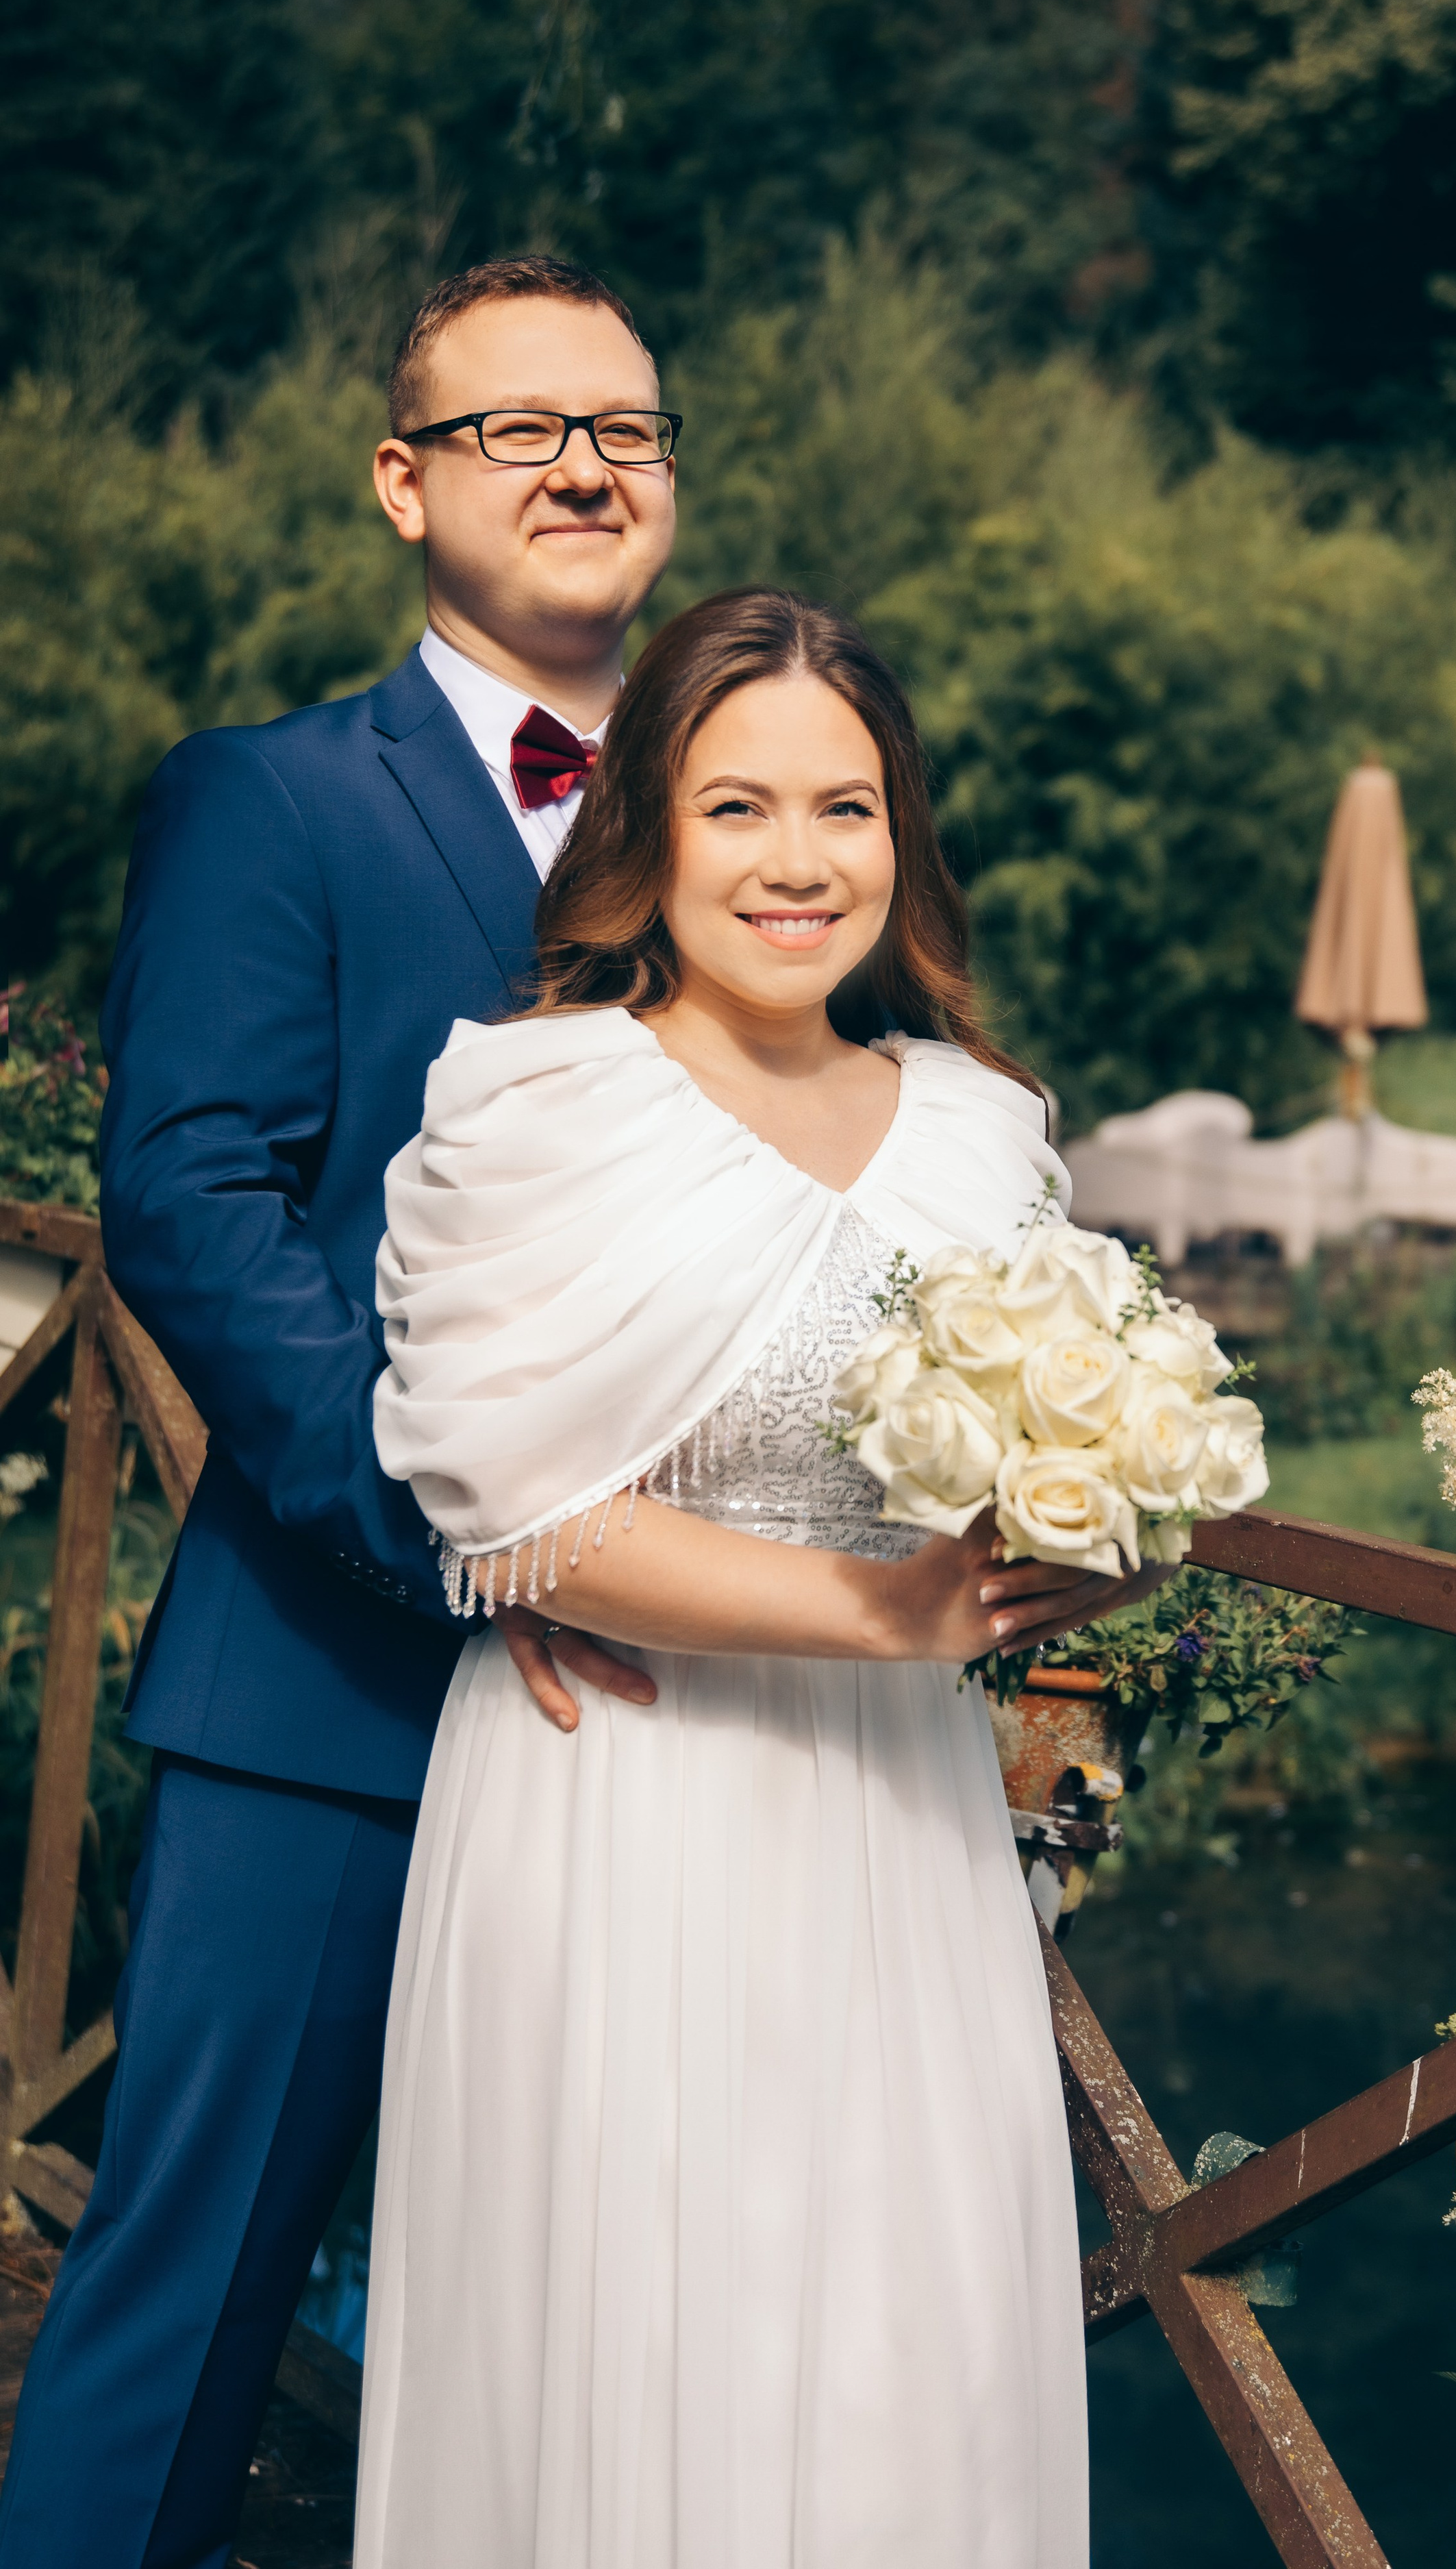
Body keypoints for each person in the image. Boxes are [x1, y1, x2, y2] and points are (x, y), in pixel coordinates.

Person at [357, 586, 1162, 2568]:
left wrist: (1102, 1515)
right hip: (626, 1807)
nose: (799, 865)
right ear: (643, 832)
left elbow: (1045, 1456)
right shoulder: (538, 1102)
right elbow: (511, 1516)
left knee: (903, 2350)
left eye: (848, 809)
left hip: (901, 1834)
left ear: (904, 839)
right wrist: (888, 1617)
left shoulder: (988, 1137)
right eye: (738, 810)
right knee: (646, 2332)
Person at [0, 256, 675, 2569]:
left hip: (688, 1712)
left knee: (617, 2310)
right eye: (519, 428)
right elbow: (189, 1203)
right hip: (335, 1683)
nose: (587, 462)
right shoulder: (276, 799)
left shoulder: (764, 821)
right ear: (405, 484)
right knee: (191, 2294)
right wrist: (454, 1534)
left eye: (631, 427)